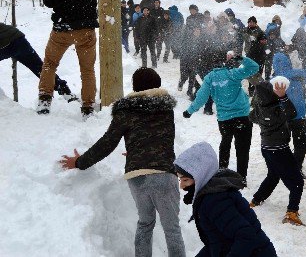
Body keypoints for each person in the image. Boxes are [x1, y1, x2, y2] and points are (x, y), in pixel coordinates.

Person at [59, 67, 186, 257]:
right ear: (157, 85)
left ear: (135, 87)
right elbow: (164, 139)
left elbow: (107, 143)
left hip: (137, 177)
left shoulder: (125, 111)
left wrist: (80, 162)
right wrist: (141, 151)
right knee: (172, 229)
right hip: (163, 174)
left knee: (145, 224)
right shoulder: (165, 110)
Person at [38, 0, 104, 117]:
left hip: (62, 28)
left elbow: (48, 1)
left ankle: (44, 99)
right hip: (85, 28)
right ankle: (88, 107)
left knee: (50, 63)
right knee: (87, 69)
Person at [174, 142, 277, 257]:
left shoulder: (215, 200)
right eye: (180, 180)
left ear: (201, 176)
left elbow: (246, 236)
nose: (182, 186)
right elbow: (217, 242)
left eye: (185, 180)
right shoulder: (210, 193)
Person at [183, 54, 259, 183]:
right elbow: (254, 68)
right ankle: (241, 177)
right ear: (224, 63)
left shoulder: (210, 78)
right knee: (242, 148)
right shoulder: (233, 73)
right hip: (242, 116)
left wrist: (189, 111)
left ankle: (222, 171)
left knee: (225, 143)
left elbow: (201, 97)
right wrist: (242, 59)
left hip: (224, 118)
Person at [249, 80, 306, 226]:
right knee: (297, 182)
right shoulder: (276, 110)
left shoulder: (259, 107)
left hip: (266, 148)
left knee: (273, 175)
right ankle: (292, 212)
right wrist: (283, 97)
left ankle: (256, 200)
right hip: (279, 150)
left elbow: (252, 117)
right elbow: (293, 113)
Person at [0, 22, 75, 102]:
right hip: (19, 39)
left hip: (9, 43)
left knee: (38, 67)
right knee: (38, 67)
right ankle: (64, 89)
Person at [271, 51, 306, 171]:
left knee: (281, 144)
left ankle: (282, 166)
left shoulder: (272, 80)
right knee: (300, 144)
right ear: (288, 61)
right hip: (298, 116)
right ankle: (297, 167)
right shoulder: (296, 74)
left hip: (281, 119)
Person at [244, 16, 267, 92]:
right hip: (249, 55)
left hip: (259, 56)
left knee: (258, 73)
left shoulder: (260, 32)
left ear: (255, 23)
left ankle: (258, 90)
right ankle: (251, 89)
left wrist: (256, 42)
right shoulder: (246, 30)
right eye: (249, 22)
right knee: (250, 73)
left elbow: (264, 42)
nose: (250, 24)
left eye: (252, 22)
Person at [264, 15, 284, 80]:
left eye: (278, 21)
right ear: (274, 21)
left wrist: (283, 44)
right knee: (270, 63)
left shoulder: (276, 28)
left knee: (271, 63)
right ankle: (268, 78)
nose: (277, 22)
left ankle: (270, 77)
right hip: (269, 48)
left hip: (271, 48)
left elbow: (278, 38)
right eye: (276, 21)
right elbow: (269, 32)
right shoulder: (273, 27)